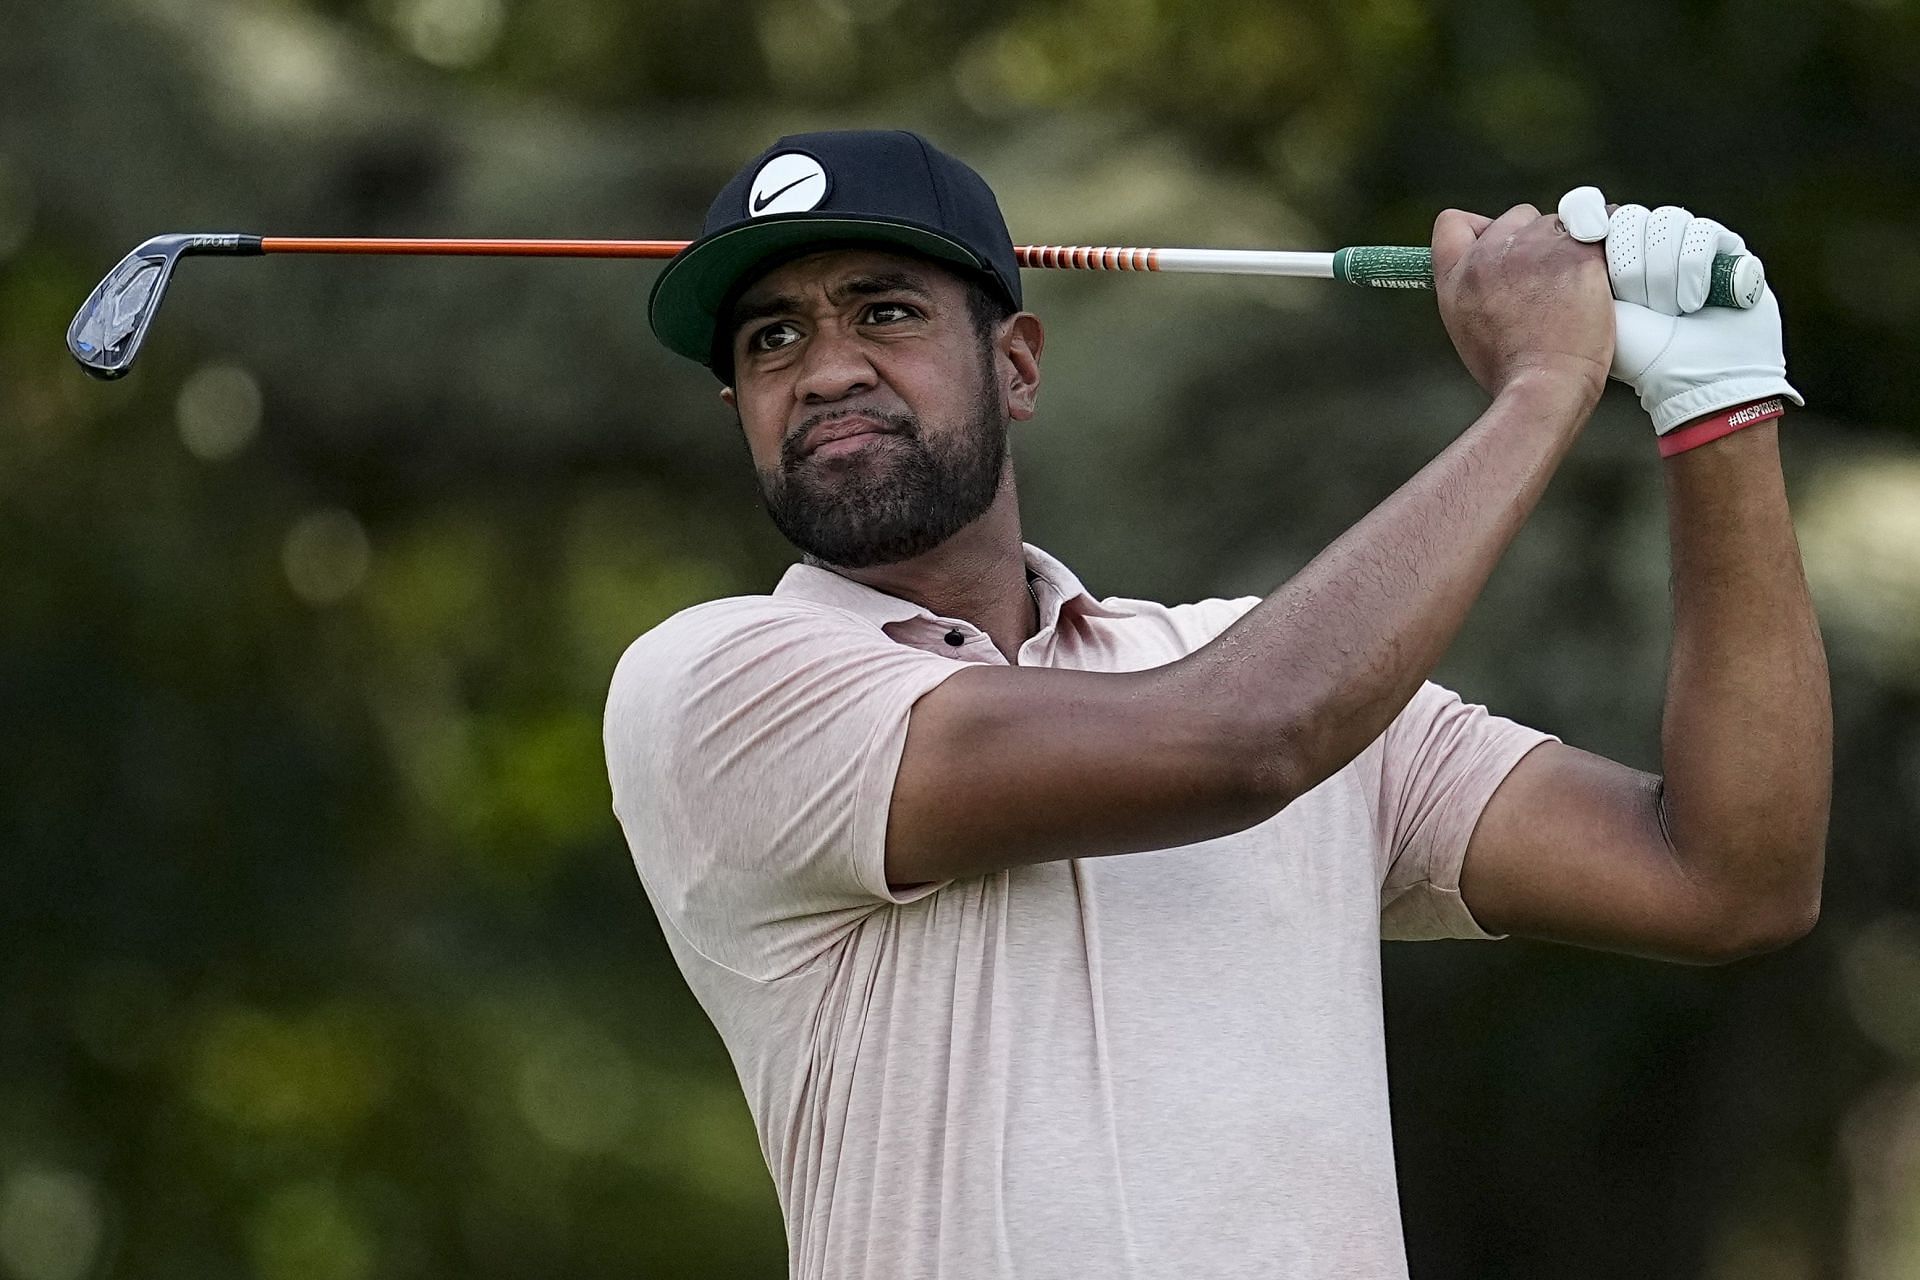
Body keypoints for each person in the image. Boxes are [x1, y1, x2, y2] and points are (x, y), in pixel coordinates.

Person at [602, 130, 1830, 1279]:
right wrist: (1545, 379)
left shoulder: (1255, 662)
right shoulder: (715, 679)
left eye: (884, 311)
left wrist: (1718, 410)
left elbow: (1728, 877)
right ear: (739, 412)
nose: (825, 370)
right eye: (771, 340)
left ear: (1015, 365)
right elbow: (1246, 738)